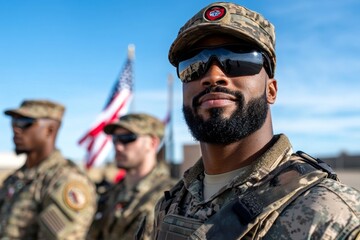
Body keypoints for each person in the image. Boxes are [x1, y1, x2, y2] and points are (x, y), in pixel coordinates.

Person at [153, 2, 360, 239]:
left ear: (271, 91)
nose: (213, 76)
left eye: (238, 58)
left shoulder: (335, 217)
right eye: (193, 65)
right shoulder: (169, 205)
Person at [0, 99, 97, 239]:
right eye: (14, 122)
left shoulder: (65, 180)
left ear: (49, 130)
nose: (16, 129)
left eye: (24, 123)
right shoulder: (15, 178)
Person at [87, 113, 176, 240]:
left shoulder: (172, 197)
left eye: (128, 138)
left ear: (152, 143)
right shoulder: (110, 194)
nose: (117, 146)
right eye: (115, 139)